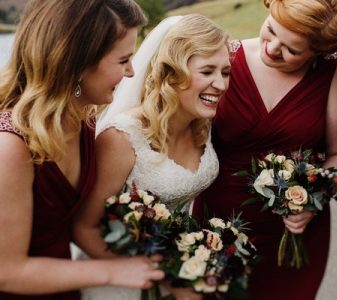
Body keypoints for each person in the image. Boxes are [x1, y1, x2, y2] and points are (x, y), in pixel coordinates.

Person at [0, 0, 167, 299]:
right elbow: (7, 271)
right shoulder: (11, 147)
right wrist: (116, 271)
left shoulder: (84, 119)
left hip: (65, 286)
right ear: (77, 62)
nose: (131, 72)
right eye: (123, 60)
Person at [192, 0, 337, 299]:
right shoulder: (225, 58)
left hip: (294, 233)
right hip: (218, 223)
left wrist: (312, 203)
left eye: (292, 50)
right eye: (271, 30)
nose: (272, 48)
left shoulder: (335, 73)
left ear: (318, 51)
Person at [72, 14, 231, 300]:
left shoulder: (202, 123)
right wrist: (164, 279)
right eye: (207, 72)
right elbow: (83, 228)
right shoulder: (122, 138)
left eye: (225, 72)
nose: (220, 84)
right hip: (120, 281)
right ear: (172, 73)